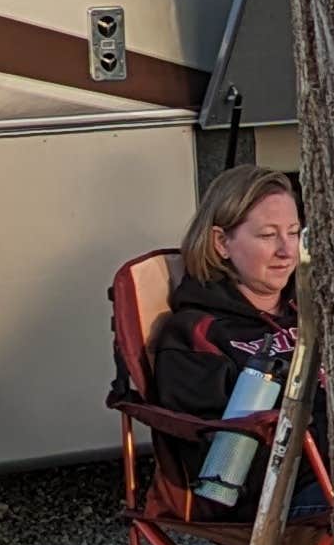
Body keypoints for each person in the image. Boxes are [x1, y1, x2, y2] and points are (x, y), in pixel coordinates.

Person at [136, 165, 324, 523]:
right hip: (274, 502)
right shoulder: (195, 333)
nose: (288, 251)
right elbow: (215, 457)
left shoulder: (307, 311)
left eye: (295, 232)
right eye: (268, 235)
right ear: (221, 242)